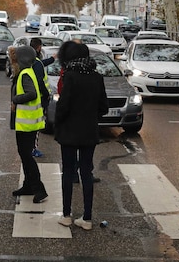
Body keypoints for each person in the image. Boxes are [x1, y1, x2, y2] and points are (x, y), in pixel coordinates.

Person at [55, 43, 107, 230]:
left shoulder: (70, 76)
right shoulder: (96, 77)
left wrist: (58, 121)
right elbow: (104, 107)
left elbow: (63, 106)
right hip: (89, 132)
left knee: (68, 172)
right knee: (87, 173)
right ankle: (87, 217)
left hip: (69, 131)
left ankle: (67, 214)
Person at [10, 45, 48, 203]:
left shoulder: (25, 74)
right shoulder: (27, 72)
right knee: (24, 155)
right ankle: (28, 185)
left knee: (27, 156)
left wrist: (15, 100)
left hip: (27, 123)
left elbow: (31, 94)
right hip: (26, 122)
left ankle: (39, 189)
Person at [29, 37, 55, 158]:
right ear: (39, 47)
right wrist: (46, 94)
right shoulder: (37, 62)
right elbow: (40, 81)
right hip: (39, 99)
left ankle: (29, 147)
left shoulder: (28, 60)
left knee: (29, 126)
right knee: (36, 125)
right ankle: (33, 148)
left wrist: (52, 59)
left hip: (29, 98)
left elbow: (40, 64)